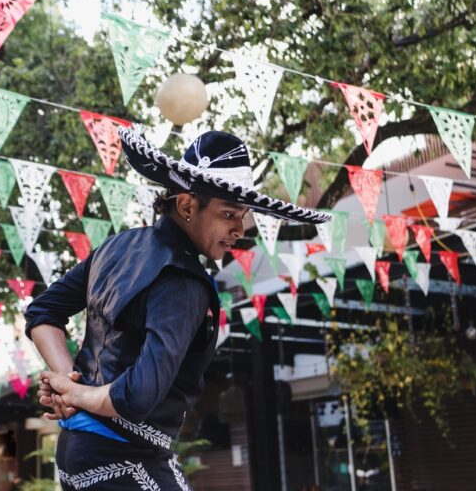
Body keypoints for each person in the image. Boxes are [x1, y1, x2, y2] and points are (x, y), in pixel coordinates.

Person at [24, 126, 330, 489]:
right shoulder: (185, 281)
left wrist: (68, 383)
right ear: (186, 204)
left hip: (80, 455)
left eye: (242, 216)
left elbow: (41, 312)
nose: (240, 230)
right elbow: (138, 395)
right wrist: (73, 392)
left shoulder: (118, 246)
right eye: (229, 214)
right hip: (126, 460)